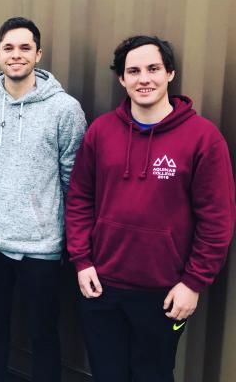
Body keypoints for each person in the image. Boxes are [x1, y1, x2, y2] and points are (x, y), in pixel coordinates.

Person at [65, 35, 235, 382]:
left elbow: (217, 220)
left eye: (153, 69)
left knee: (152, 375)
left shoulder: (203, 138)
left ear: (170, 73)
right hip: (101, 286)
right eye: (134, 71)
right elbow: (80, 199)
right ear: (122, 79)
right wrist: (82, 261)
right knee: (106, 374)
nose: (144, 79)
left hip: (164, 293)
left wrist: (193, 283)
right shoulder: (101, 132)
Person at [0, 17, 86, 382]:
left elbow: (73, 177)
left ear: (38, 54)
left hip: (41, 246)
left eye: (24, 48)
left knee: (43, 334)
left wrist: (42, 216)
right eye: (8, 48)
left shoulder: (64, 109)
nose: (16, 55)